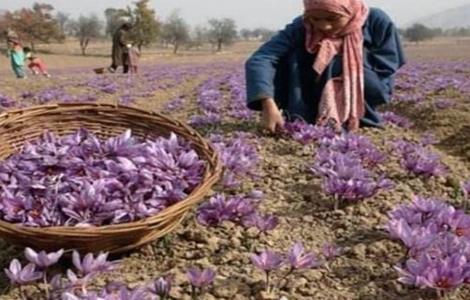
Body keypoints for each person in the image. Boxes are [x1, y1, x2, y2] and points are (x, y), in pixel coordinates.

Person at [245, 0, 406, 133]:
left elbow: (387, 64)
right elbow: (262, 58)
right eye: (315, 19)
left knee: (336, 59)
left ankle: (358, 117)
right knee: (290, 55)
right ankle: (302, 114)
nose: (323, 26)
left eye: (333, 18)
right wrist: (267, 103)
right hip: (311, 89)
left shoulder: (375, 20)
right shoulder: (303, 25)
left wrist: (344, 63)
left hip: (366, 86)